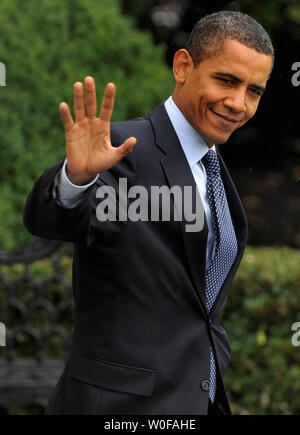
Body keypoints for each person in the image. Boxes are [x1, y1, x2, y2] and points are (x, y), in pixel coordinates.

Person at [23, 11, 274, 415]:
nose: (238, 103)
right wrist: (76, 178)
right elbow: (48, 219)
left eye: (254, 91)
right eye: (227, 80)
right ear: (183, 66)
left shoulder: (213, 168)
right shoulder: (121, 150)